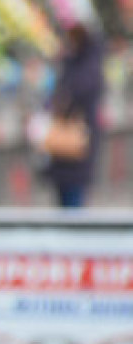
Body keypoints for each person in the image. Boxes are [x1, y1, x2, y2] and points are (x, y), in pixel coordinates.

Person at [43, 22, 106, 209]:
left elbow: (76, 94)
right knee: (64, 199)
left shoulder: (87, 68)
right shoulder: (70, 64)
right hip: (64, 147)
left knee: (73, 202)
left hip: (77, 142)